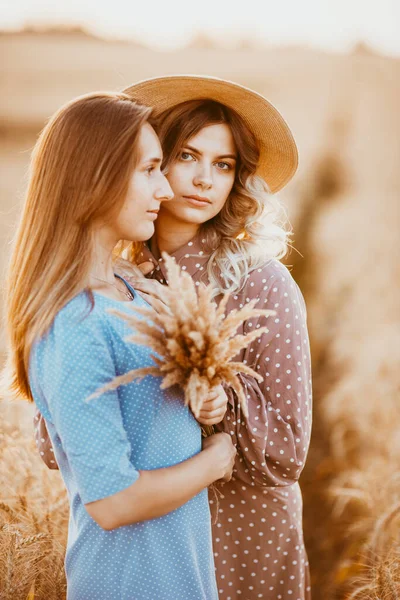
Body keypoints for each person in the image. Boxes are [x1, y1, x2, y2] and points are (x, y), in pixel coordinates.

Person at [36, 75, 313, 599]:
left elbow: (288, 452)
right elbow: (56, 446)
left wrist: (217, 399)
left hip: (243, 530)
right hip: (145, 535)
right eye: (187, 156)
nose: (204, 179)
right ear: (152, 163)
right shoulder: (114, 285)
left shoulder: (261, 283)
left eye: (224, 165)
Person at [3, 90, 236, 600]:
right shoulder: (74, 322)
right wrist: (216, 460)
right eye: (150, 169)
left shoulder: (130, 287)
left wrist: (200, 402)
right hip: (129, 583)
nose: (164, 188)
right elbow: (112, 503)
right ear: (95, 178)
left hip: (184, 574)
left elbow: (147, 414)